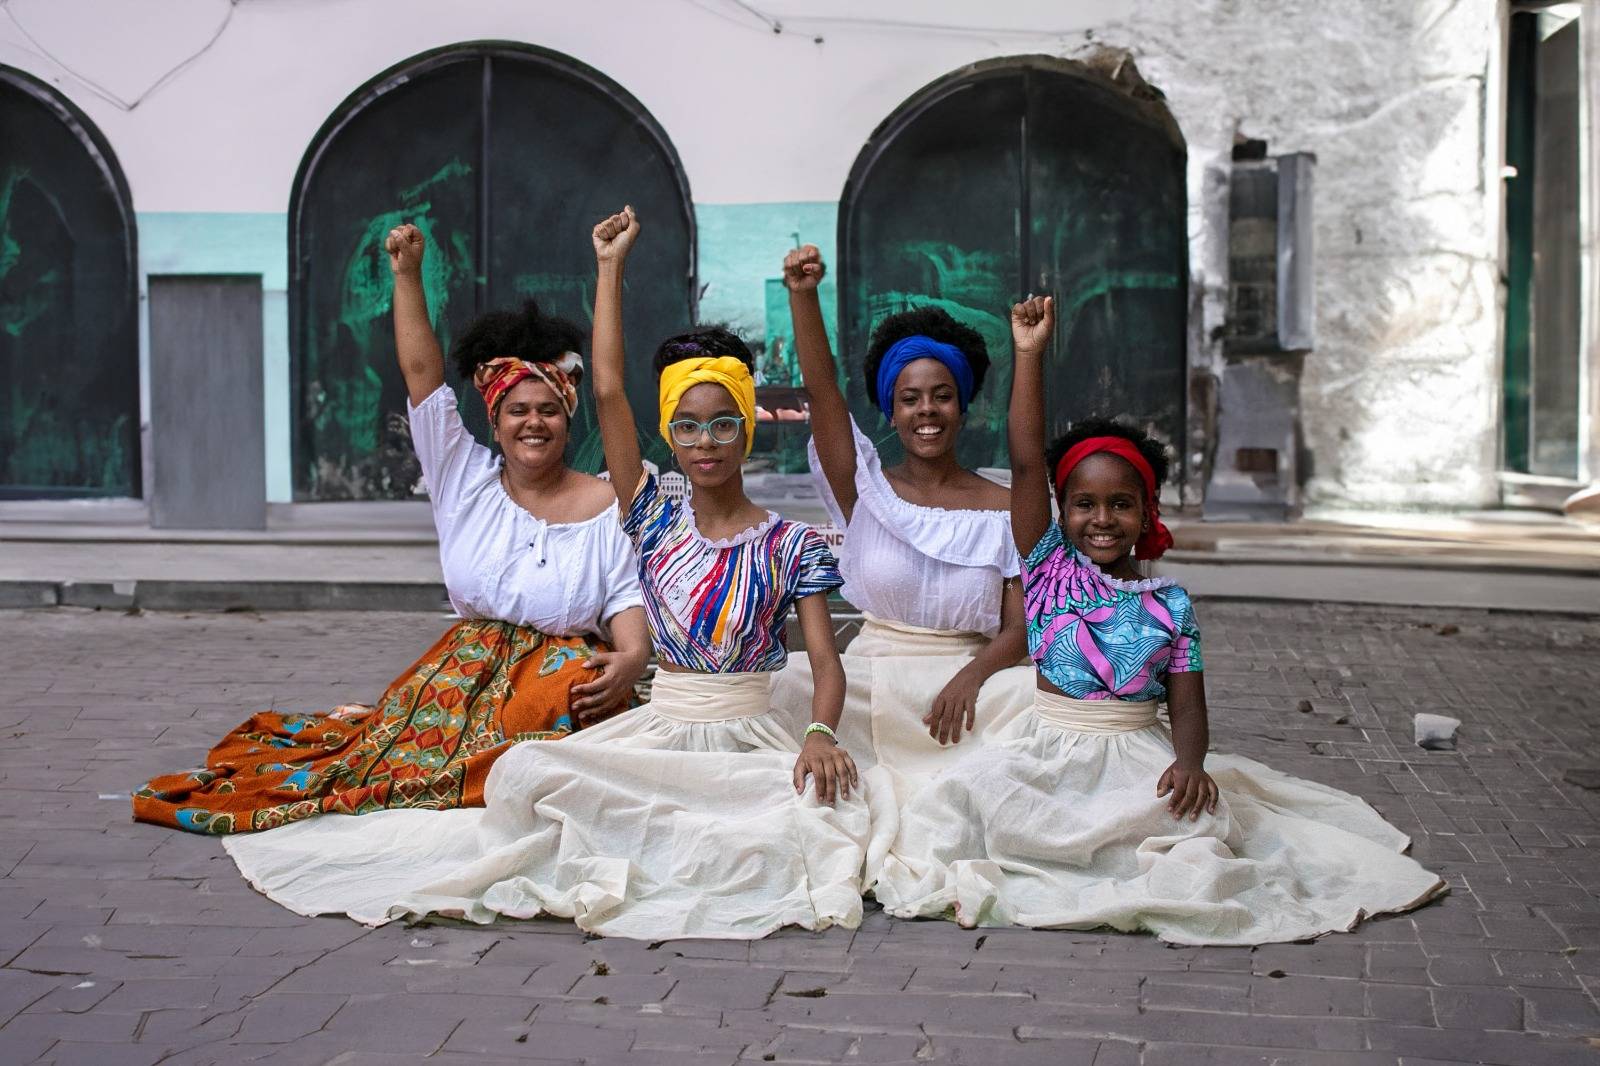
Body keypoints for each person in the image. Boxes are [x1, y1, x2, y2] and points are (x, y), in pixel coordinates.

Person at [221, 208, 875, 940]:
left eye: (725, 425)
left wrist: (814, 727)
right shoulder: (606, 506)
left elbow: (807, 654)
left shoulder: (748, 536)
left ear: (748, 429)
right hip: (524, 694)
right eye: (687, 426)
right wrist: (424, 274)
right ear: (495, 421)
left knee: (795, 818)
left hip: (667, 710)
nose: (706, 442)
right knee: (525, 780)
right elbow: (587, 387)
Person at [872, 295, 1446, 945]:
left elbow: (1188, 705)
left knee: (1187, 833)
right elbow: (1028, 461)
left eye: (1121, 504)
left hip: (1134, 755)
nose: (1102, 518)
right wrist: (1029, 355)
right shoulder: (1050, 570)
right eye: (1084, 504)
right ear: (1062, 514)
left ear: (1148, 515)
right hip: (1046, 750)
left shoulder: (1169, 605)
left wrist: (1192, 761)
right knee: (960, 804)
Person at [132, 223, 649, 835]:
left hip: (561, 684)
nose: (532, 423)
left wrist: (632, 659)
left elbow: (625, 600)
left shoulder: (611, 503)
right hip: (460, 676)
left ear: (567, 418)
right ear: (496, 419)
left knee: (541, 736)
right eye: (517, 410)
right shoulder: (464, 478)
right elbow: (422, 375)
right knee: (386, 773)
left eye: (547, 410)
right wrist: (407, 273)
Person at [769, 245, 1035, 837]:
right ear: (891, 412)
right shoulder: (864, 490)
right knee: (782, 687)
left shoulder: (1001, 509)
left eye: (941, 395)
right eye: (909, 398)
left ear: (963, 405)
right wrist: (803, 296)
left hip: (967, 690)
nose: (927, 411)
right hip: (871, 683)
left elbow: (1019, 630)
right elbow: (823, 394)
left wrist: (970, 678)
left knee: (1034, 698)